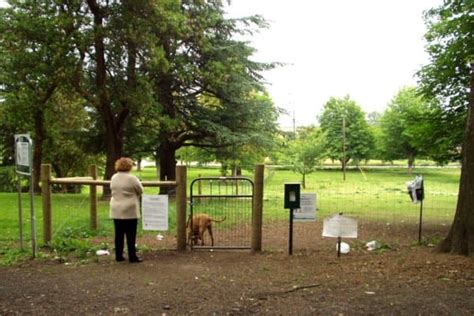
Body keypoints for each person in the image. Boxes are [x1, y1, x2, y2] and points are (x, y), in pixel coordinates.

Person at [109, 157, 144, 263]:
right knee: (131, 234)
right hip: (130, 209)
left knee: (118, 233)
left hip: (116, 208)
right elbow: (140, 190)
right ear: (129, 166)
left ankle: (118, 255)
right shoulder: (132, 178)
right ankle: (132, 256)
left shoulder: (114, 177)